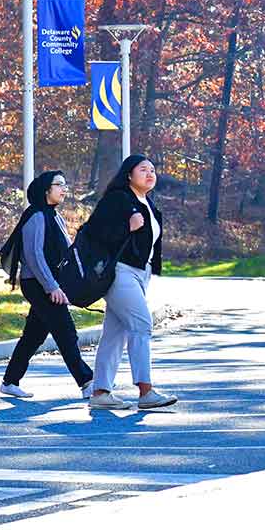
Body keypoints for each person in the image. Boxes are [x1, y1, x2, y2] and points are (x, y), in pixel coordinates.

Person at [84, 155, 177, 410]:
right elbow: (93, 232)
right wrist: (127, 227)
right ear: (128, 175)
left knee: (115, 333)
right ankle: (145, 391)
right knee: (141, 324)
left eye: (153, 170)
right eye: (143, 169)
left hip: (140, 273)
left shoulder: (148, 203)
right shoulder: (118, 199)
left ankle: (101, 392)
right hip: (120, 272)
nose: (150, 174)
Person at [0, 170, 95, 399]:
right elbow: (33, 255)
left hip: (49, 284)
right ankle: (87, 382)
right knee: (66, 332)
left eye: (64, 184)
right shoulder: (36, 216)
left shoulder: (55, 215)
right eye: (58, 184)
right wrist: (51, 287)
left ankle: (10, 381)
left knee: (33, 336)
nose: (64, 189)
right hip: (37, 284)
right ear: (45, 189)